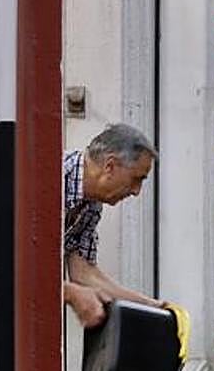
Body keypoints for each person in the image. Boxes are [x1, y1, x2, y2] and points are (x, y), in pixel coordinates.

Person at [63, 123, 162, 328]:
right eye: (137, 179)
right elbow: (14, 266)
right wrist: (71, 293)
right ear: (110, 166)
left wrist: (153, 307)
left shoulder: (92, 204)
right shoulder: (53, 178)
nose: (136, 191)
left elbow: (83, 273)